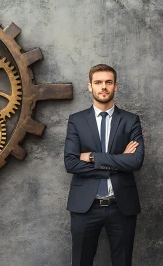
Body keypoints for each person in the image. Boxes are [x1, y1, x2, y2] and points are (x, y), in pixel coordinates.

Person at [64, 64, 145, 266]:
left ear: (116, 86)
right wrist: (118, 161)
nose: (103, 87)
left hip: (121, 206)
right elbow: (71, 163)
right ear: (89, 86)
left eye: (108, 82)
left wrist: (92, 156)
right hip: (85, 206)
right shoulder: (76, 121)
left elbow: (135, 161)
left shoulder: (130, 120)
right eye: (98, 82)